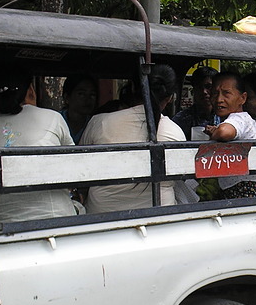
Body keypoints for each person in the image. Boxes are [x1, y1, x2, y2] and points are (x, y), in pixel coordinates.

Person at [80, 64, 185, 213]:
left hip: (102, 218)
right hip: (161, 218)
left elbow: (81, 174)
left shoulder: (100, 122)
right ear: (169, 98)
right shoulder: (176, 133)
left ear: (134, 88)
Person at [0, 71, 76, 222]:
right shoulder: (53, 117)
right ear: (29, 91)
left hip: (4, 224)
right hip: (57, 218)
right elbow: (74, 168)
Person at [204, 72, 256, 199]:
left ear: (242, 98)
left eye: (226, 93)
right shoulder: (241, 119)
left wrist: (215, 133)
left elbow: (224, 132)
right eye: (215, 94)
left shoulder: (240, 118)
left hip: (246, 188)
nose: (219, 99)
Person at [173, 66, 219, 139]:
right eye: (199, 87)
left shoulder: (226, 117)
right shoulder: (181, 119)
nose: (204, 92)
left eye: (208, 87)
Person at [60, 74, 98, 143]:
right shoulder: (57, 120)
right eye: (81, 94)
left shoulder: (95, 123)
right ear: (67, 97)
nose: (87, 99)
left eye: (92, 94)